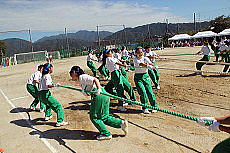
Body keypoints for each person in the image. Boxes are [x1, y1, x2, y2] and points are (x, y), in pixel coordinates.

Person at [69, 66, 128, 141]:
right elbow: (88, 91)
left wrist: (99, 89)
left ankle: (106, 133)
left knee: (94, 117)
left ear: (74, 73)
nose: (71, 75)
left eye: (71, 73)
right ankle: (121, 123)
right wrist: (85, 92)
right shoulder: (80, 80)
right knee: (104, 117)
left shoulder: (82, 77)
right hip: (102, 95)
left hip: (99, 95)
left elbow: (95, 79)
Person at [134, 47, 158, 114]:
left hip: (146, 76)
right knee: (142, 92)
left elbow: (150, 63)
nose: (140, 54)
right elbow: (141, 64)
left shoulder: (145, 58)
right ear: (136, 53)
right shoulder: (135, 59)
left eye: (141, 52)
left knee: (150, 92)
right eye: (138, 52)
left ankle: (154, 106)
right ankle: (145, 107)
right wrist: (147, 66)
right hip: (138, 77)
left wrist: (154, 66)